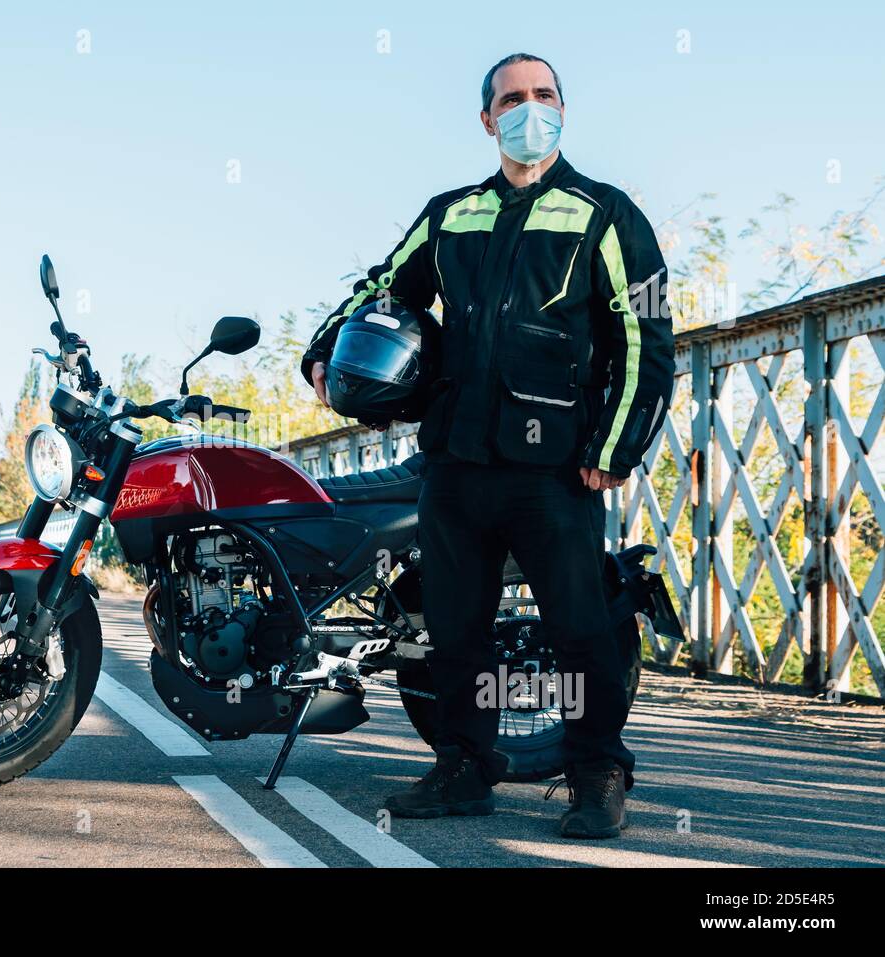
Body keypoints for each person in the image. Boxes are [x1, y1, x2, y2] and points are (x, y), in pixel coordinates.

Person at [301, 53, 674, 838]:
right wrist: (323, 351)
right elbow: (381, 290)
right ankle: (463, 768)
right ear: (486, 119)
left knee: (581, 627)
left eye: (542, 96)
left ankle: (597, 772)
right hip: (457, 461)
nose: (527, 109)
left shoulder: (607, 214)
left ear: (563, 110)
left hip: (556, 468)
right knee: (455, 630)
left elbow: (647, 335)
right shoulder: (451, 214)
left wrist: (616, 443)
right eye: (512, 99)